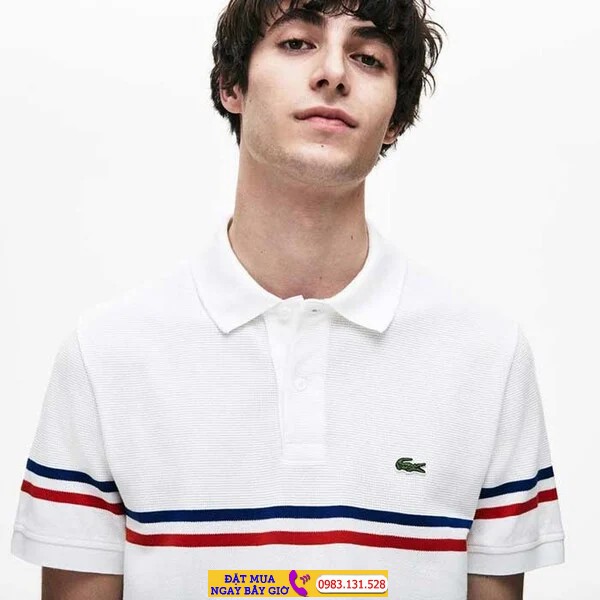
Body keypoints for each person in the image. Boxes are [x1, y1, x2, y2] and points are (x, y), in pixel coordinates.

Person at [10, 0, 565, 599]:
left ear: (396, 119)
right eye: (297, 43)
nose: (334, 73)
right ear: (232, 86)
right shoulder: (105, 356)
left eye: (368, 57)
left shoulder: (488, 357)